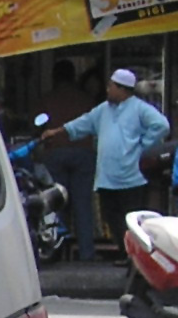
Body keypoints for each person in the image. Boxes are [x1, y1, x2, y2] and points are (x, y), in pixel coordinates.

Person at [41, 67, 169, 253]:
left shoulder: (139, 108)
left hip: (131, 176)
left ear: (123, 89)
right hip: (108, 177)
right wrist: (57, 131)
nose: (107, 90)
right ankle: (125, 251)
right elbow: (83, 123)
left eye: (111, 86)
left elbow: (161, 125)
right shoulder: (103, 110)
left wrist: (143, 146)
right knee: (111, 216)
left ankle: (132, 256)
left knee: (130, 219)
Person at [33, 59, 100, 259]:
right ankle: (87, 253)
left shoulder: (47, 98)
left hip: (56, 152)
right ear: (73, 76)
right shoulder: (86, 99)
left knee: (56, 203)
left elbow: (36, 124)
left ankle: (56, 251)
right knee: (83, 205)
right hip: (84, 153)